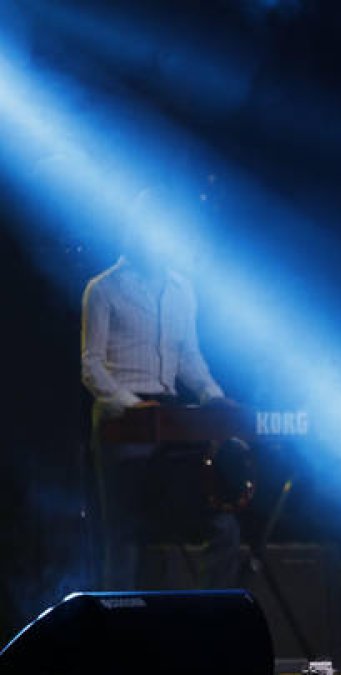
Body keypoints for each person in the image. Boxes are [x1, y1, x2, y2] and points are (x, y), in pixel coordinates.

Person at [81, 208, 241, 591]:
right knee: (125, 534)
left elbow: (188, 357)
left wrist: (213, 398)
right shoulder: (104, 288)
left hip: (172, 422)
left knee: (222, 527)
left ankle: (209, 625)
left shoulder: (182, 289)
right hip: (124, 421)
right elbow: (91, 365)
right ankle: (116, 630)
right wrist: (130, 404)